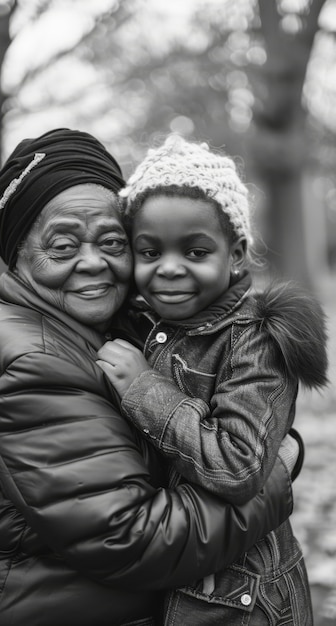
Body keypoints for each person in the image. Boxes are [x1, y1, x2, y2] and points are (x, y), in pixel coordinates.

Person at [0, 129, 298, 626]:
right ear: (18, 255)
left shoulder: (112, 324)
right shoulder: (33, 361)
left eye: (112, 242)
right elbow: (132, 541)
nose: (93, 262)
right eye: (63, 244)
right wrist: (277, 469)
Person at [96, 134, 329, 625]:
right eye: (149, 252)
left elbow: (240, 467)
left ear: (237, 253)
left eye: (196, 252)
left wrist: (145, 390)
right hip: (174, 577)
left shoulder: (256, 341)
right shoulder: (145, 325)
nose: (170, 268)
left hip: (241, 601)